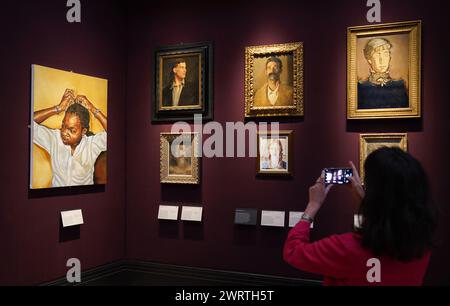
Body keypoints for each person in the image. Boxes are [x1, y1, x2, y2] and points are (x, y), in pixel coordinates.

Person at [283, 147, 436, 286]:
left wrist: (313, 205)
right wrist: (367, 203)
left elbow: (293, 251)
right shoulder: (421, 247)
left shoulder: (346, 248)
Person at [33, 89, 107, 187]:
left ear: (83, 131)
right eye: (63, 126)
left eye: (72, 130)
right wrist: (58, 108)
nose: (64, 133)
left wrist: (92, 108)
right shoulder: (54, 139)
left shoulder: (92, 145)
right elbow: (29, 122)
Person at [358, 38, 409, 109]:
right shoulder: (361, 88)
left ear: (389, 58)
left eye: (385, 54)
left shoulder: (400, 86)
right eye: (377, 55)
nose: (382, 60)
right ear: (369, 59)